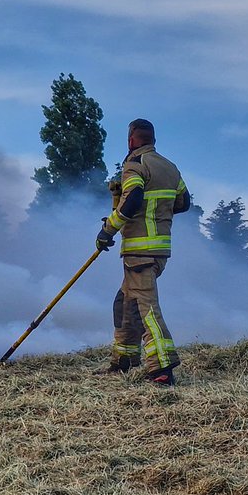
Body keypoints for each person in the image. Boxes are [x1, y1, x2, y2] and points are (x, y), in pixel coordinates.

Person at [96, 118, 191, 384]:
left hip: (139, 251)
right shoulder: (170, 167)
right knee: (125, 303)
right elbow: (183, 203)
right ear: (153, 139)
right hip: (159, 251)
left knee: (145, 307)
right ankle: (124, 360)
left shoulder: (134, 165)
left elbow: (133, 198)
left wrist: (108, 229)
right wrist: (158, 210)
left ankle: (161, 369)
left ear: (131, 140)